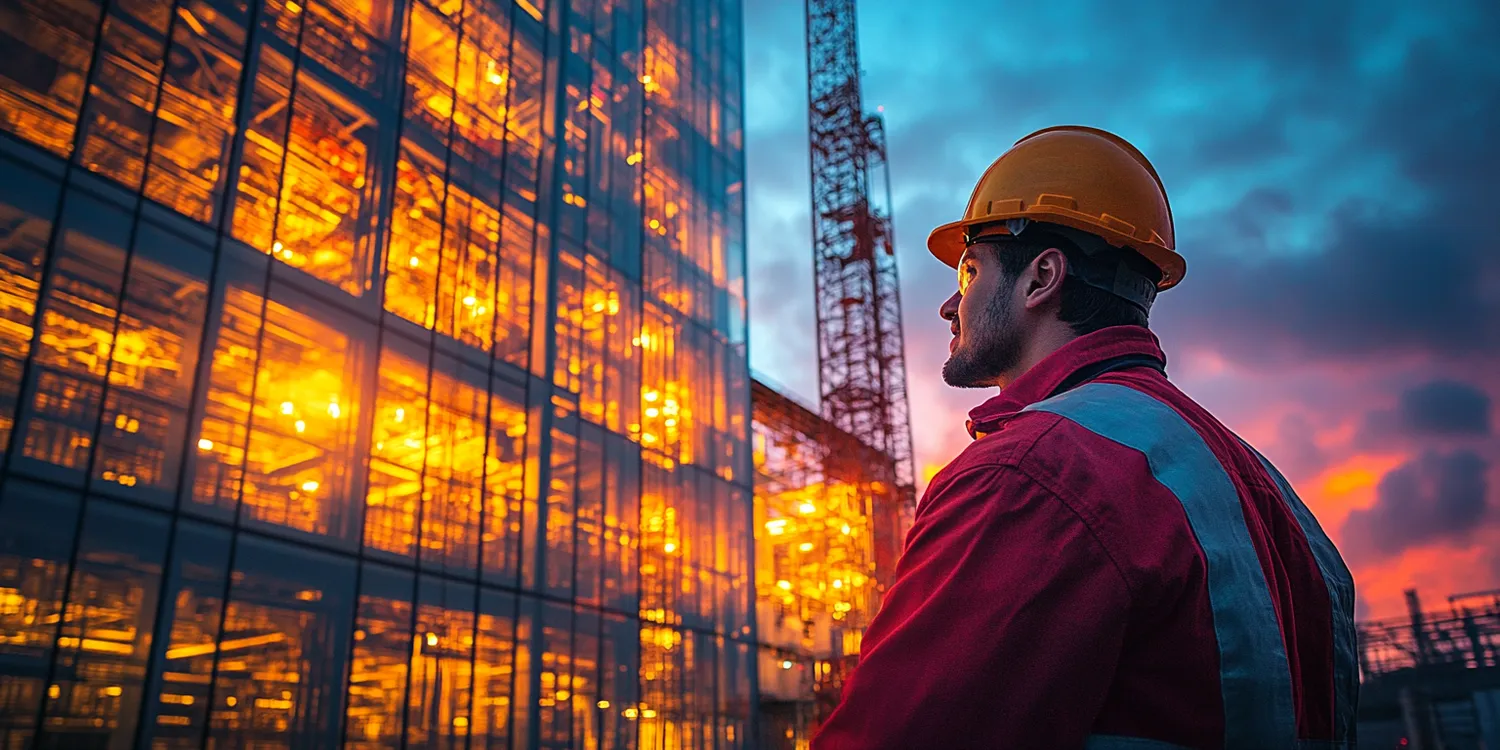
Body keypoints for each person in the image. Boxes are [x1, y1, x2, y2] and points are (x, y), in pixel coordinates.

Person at [809, 126, 1358, 749]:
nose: (947, 305)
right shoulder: (1267, 491)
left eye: (969, 271)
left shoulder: (1030, 472)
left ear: (1040, 278)